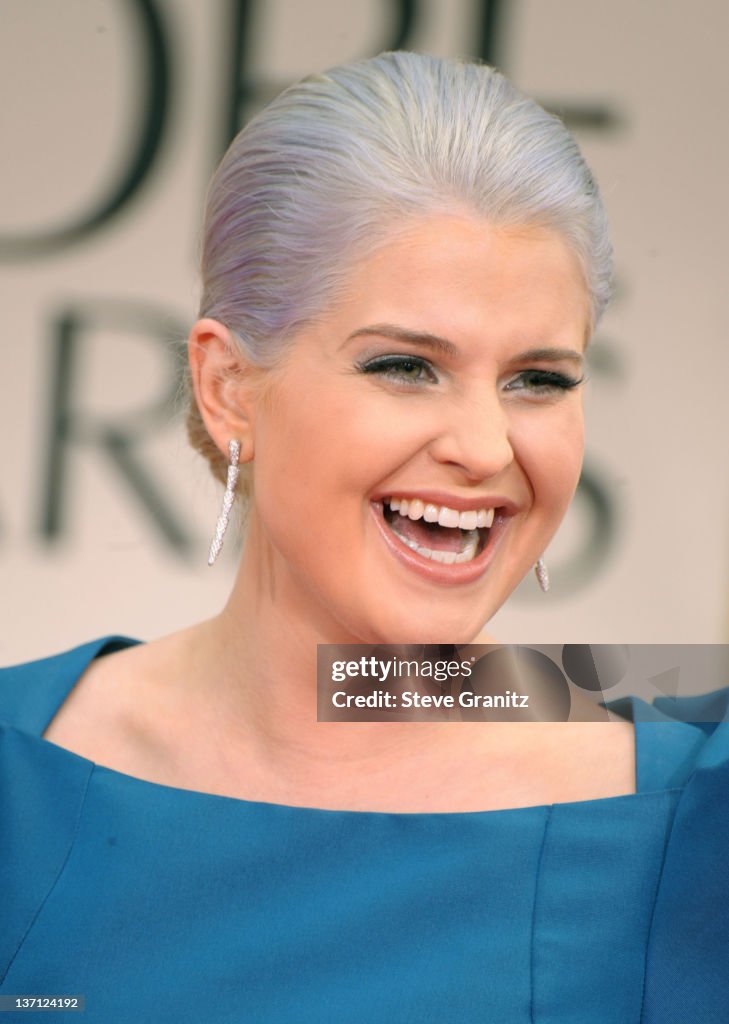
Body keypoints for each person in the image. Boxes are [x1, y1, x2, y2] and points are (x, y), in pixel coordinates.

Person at [1, 51, 727, 1022]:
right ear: (227, 387)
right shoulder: (20, 775)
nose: (482, 446)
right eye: (405, 365)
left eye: (539, 379)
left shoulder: (691, 805)